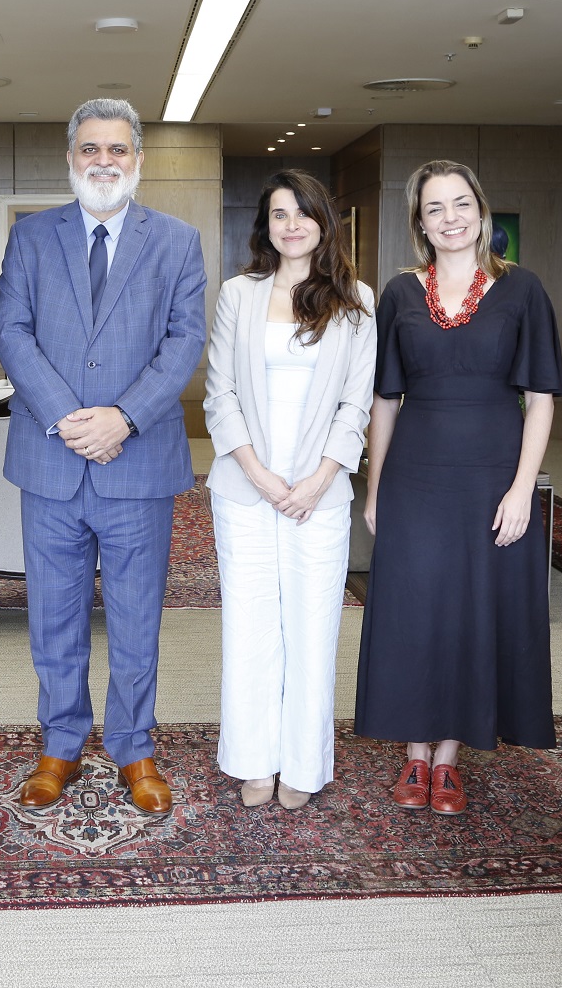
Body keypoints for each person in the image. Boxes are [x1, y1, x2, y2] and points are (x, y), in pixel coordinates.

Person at [0, 98, 206, 815]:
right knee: (52, 615)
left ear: (138, 159)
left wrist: (123, 417)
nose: (104, 162)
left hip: (137, 462)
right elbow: (12, 330)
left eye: (118, 149)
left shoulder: (177, 241)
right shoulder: (31, 237)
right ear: (70, 158)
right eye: (91, 149)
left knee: (136, 615)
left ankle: (134, 748)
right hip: (51, 462)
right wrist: (66, 416)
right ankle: (60, 744)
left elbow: (184, 342)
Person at [355, 159, 562, 815]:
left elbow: (541, 398)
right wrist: (374, 489)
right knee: (416, 610)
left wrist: (523, 489)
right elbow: (385, 400)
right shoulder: (398, 294)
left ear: (482, 210)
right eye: (435, 208)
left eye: (460, 204)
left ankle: (447, 761)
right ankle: (414, 757)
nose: (450, 218)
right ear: (419, 222)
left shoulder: (522, 290)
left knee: (475, 610)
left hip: (493, 472)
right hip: (415, 472)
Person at [204, 170, 375, 811]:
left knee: (311, 628)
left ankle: (303, 762)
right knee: (249, 627)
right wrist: (260, 474)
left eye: (303, 213)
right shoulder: (238, 295)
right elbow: (218, 395)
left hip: (319, 492)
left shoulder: (355, 300)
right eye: (279, 214)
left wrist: (319, 478)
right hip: (246, 486)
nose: (292, 225)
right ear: (266, 227)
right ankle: (253, 760)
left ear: (324, 222)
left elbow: (356, 404)